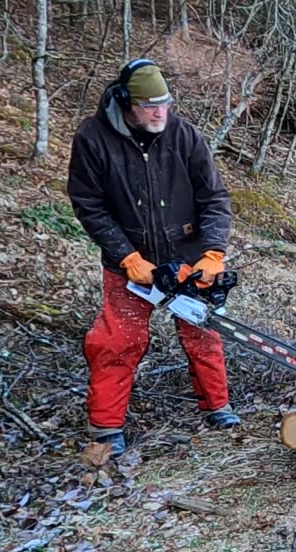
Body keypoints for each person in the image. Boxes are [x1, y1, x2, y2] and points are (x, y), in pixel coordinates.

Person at [68, 58, 240, 458]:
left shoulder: (184, 136)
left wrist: (213, 253)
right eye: (150, 106)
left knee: (204, 332)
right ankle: (107, 427)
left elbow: (214, 198)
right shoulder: (94, 139)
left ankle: (218, 407)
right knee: (118, 340)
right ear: (128, 103)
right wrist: (126, 256)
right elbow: (88, 204)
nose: (159, 112)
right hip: (130, 262)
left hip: (186, 254)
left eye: (164, 103)